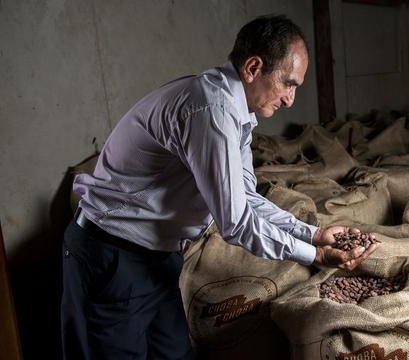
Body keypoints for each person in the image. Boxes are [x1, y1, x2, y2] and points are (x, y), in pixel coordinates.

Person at [61, 14, 379, 360]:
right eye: (288, 83)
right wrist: (315, 255)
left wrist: (314, 235)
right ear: (253, 67)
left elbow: (245, 198)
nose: (290, 99)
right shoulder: (210, 109)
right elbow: (236, 222)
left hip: (156, 259)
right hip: (112, 256)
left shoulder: (234, 111)